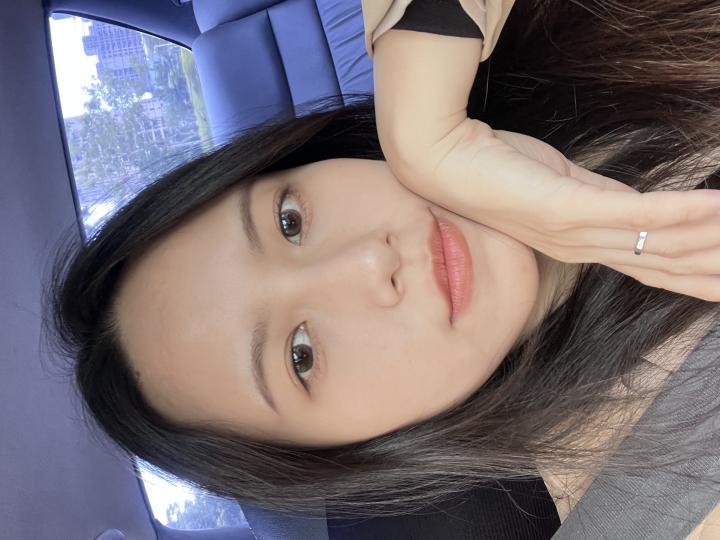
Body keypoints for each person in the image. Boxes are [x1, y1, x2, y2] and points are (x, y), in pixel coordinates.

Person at [44, 0, 720, 533]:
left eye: (289, 220)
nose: (369, 260)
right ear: (343, 453)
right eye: (300, 355)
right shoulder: (650, 493)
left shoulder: (514, 48)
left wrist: (424, 92)